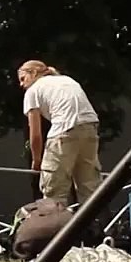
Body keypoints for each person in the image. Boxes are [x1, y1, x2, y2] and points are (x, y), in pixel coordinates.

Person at [17, 60, 102, 205]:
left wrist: (36, 161)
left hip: (63, 131)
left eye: (22, 78)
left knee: (54, 190)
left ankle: (56, 226)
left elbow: (35, 134)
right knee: (90, 187)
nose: (21, 84)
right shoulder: (67, 80)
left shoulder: (33, 90)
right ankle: (95, 224)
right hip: (90, 128)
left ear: (33, 73)